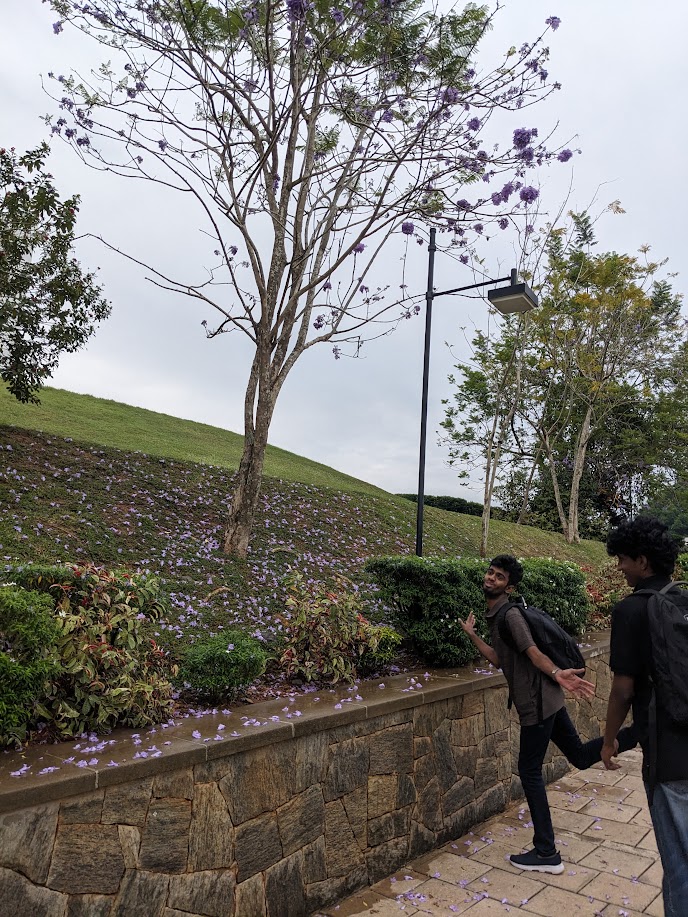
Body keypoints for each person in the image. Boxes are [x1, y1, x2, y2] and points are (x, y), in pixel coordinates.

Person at [460, 554, 637, 874]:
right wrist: (472, 635)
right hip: (548, 701)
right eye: (490, 572)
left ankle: (546, 852)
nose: (490, 578)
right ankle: (637, 735)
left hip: (538, 704)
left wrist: (557, 673)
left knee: (528, 771)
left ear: (509, 587)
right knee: (582, 756)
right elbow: (501, 660)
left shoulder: (510, 616)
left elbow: (533, 652)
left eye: (499, 577)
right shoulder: (496, 615)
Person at [602, 516, 688, 917]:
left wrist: (608, 739)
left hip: (669, 754)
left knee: (680, 864)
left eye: (622, 558)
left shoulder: (631, 610)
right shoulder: (683, 599)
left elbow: (623, 689)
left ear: (643, 560)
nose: (618, 566)